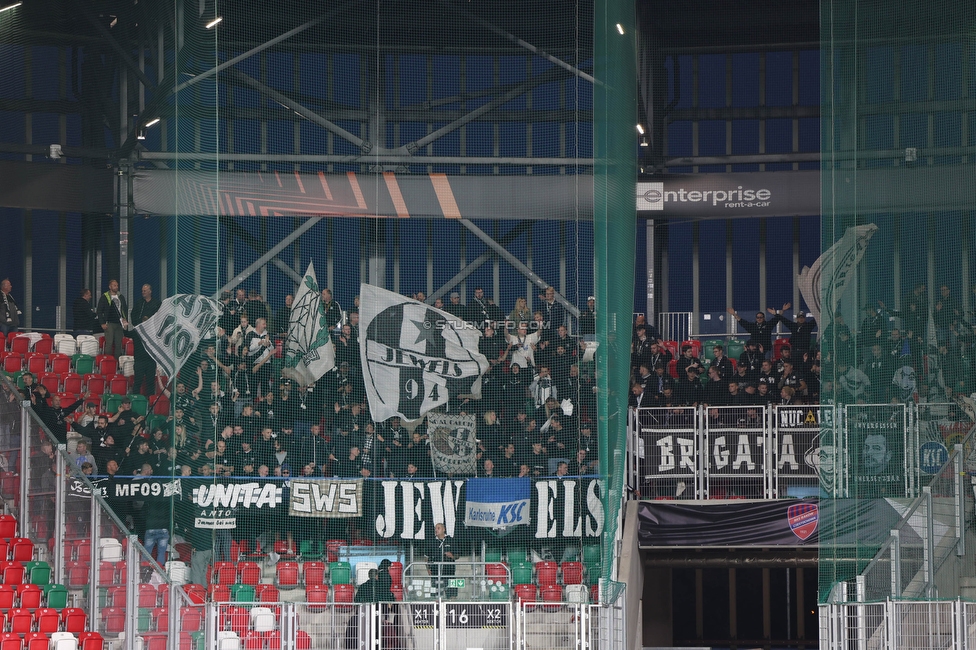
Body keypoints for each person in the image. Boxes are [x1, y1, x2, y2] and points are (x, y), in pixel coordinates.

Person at [130, 284, 161, 396]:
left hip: (150, 359)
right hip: (139, 360)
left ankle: (150, 401)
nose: (143, 292)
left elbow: (160, 318)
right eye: (142, 290)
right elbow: (133, 316)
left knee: (150, 382)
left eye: (145, 290)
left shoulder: (157, 304)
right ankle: (135, 399)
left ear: (150, 291)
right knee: (137, 381)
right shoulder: (139, 303)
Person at [97, 279, 129, 359]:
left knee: (118, 344)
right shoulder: (105, 297)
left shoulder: (121, 297)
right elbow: (99, 311)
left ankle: (117, 363)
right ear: (110, 286)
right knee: (109, 343)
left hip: (119, 323)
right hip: (109, 323)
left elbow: (124, 310)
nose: (116, 287)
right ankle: (108, 361)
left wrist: (125, 321)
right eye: (114, 285)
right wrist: (102, 323)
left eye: (117, 285)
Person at [423, 523, 456, 595]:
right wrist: (428, 568)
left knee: (452, 594)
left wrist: (452, 556)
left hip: (449, 572)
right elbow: (426, 557)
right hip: (435, 573)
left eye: (438, 528)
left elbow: (458, 555)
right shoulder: (432, 542)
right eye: (435, 528)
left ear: (443, 529)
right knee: (436, 595)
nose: (436, 530)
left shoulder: (451, 540)